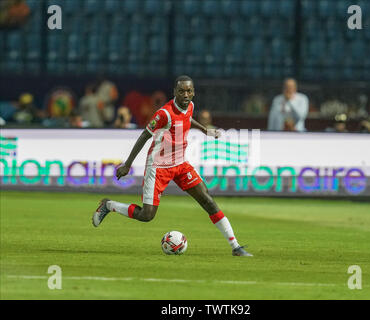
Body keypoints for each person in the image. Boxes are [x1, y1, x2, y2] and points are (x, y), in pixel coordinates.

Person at [92, 75, 252, 257]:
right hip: (158, 167)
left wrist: (204, 129)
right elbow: (145, 135)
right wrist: (127, 164)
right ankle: (109, 205)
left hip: (181, 164)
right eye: (182, 91)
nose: (186, 94)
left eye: (189, 91)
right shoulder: (164, 114)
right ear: (174, 92)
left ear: (193, 92)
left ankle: (236, 246)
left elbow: (187, 118)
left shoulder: (190, 106)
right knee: (147, 215)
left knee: (208, 200)